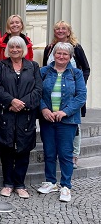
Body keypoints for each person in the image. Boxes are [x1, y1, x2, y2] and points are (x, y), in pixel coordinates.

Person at [0, 36, 42, 199]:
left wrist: (22, 103)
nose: (15, 50)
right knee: (6, 149)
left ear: (23, 49)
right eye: (12, 47)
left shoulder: (33, 66)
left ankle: (20, 184)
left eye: (18, 47)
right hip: (7, 113)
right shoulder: (1, 66)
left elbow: (38, 89)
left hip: (26, 115)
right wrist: (11, 101)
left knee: (24, 149)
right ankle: (8, 183)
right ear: (7, 49)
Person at [37, 42, 87, 202]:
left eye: (65, 54)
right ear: (53, 55)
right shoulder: (43, 72)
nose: (61, 56)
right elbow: (36, 93)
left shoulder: (76, 74)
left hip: (68, 120)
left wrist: (65, 112)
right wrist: (44, 109)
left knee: (66, 154)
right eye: (58, 53)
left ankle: (65, 185)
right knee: (49, 152)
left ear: (70, 57)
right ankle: (50, 181)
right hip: (47, 119)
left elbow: (81, 96)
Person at [42, 20, 90, 169]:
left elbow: (86, 68)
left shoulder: (76, 47)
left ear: (69, 31)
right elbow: (46, 67)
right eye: (57, 29)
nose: (60, 31)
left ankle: (74, 156)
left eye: (64, 29)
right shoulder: (50, 48)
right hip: (53, 91)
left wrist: (77, 85)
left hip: (71, 92)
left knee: (74, 126)